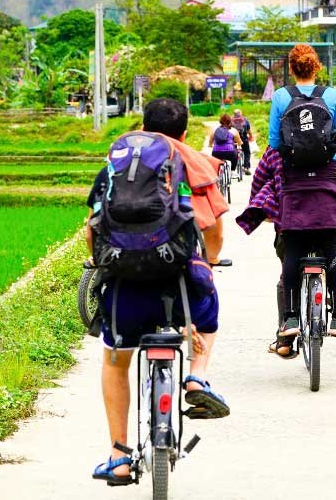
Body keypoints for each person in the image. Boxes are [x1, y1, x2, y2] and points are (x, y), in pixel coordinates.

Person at [86, 98, 232, 486]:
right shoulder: (192, 162)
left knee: (116, 361)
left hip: (126, 290)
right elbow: (213, 229)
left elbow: (93, 226)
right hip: (180, 288)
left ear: (142, 127)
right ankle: (196, 377)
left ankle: (119, 456)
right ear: (183, 133)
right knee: (209, 314)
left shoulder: (118, 163)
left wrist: (103, 261)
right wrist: (209, 262)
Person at [239, 44, 336, 357]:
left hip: (293, 189)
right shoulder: (332, 95)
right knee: (333, 250)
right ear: (316, 67)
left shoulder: (281, 96)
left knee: (292, 252)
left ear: (291, 68)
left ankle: (288, 322)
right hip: (328, 188)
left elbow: (274, 141)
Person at [232, 108, 253, 174]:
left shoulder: (231, 120)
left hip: (234, 139)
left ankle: (233, 168)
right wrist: (251, 137)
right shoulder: (245, 120)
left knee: (234, 152)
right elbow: (248, 130)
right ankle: (246, 167)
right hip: (244, 139)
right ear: (241, 113)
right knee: (247, 152)